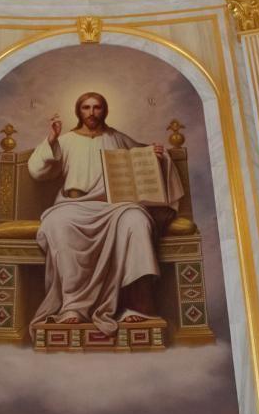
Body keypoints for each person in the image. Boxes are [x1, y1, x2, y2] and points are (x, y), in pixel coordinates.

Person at [26, 92, 184, 338]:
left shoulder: (116, 138)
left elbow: (142, 154)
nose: (92, 112)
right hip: (73, 206)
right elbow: (37, 171)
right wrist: (52, 139)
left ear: (105, 110)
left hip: (114, 206)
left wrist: (156, 154)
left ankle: (135, 306)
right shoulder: (65, 141)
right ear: (78, 111)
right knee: (58, 224)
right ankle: (73, 307)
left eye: (97, 107)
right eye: (86, 107)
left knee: (137, 220)